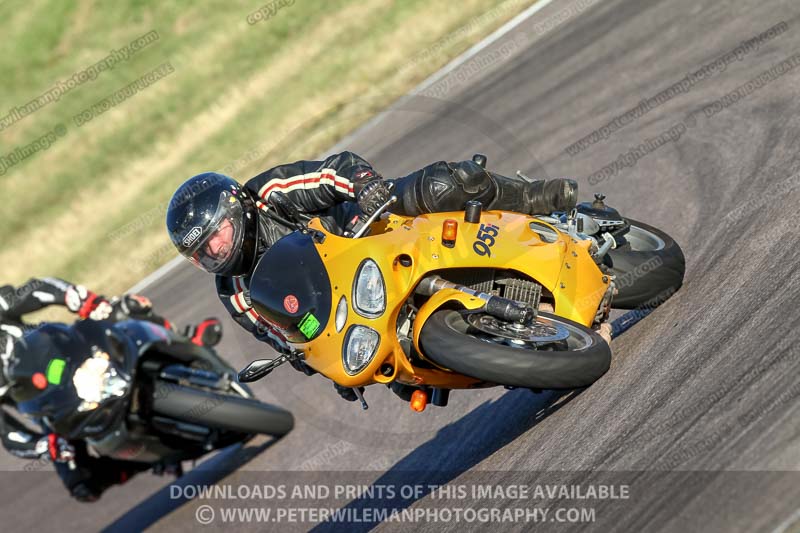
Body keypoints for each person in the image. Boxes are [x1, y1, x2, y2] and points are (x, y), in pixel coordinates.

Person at [166, 152, 579, 401]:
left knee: (444, 184)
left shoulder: (270, 193)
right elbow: (287, 338)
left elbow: (332, 172)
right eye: (202, 252)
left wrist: (365, 186)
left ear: (235, 207)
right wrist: (323, 366)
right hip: (350, 303)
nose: (215, 251)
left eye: (215, 236)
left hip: (368, 228)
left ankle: (535, 198)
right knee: (399, 377)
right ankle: (501, 358)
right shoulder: (235, 292)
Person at [0, 277, 221, 501]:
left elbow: (37, 290)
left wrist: (81, 300)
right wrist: (42, 446)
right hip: (55, 409)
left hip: (78, 350)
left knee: (125, 309)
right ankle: (145, 460)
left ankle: (188, 342)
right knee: (82, 487)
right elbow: (7, 433)